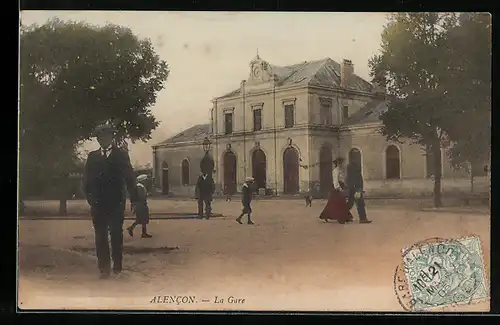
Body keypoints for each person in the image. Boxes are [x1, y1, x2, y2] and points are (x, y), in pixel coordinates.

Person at [83, 123, 139, 279]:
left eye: (106, 137)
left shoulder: (120, 155)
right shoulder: (92, 157)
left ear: (112, 137)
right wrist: (90, 198)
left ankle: (117, 266)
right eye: (100, 137)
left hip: (116, 203)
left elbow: (129, 177)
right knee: (100, 236)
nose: (103, 140)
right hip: (98, 204)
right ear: (98, 139)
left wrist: (134, 198)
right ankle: (104, 268)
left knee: (115, 234)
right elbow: (86, 180)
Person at [319, 158, 353, 224]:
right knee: (337, 203)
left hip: (341, 186)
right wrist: (338, 188)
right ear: (337, 163)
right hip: (337, 188)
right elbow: (335, 180)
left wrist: (345, 185)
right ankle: (340, 218)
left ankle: (344, 217)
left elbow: (342, 179)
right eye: (341, 163)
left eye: (342, 163)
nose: (342, 164)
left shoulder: (341, 170)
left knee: (338, 203)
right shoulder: (335, 171)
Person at [346, 159, 372, 224]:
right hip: (356, 190)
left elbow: (349, 182)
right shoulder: (356, 171)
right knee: (360, 204)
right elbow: (358, 182)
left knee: (350, 204)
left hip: (353, 189)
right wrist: (359, 189)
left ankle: (342, 215)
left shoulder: (350, 173)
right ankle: (363, 219)